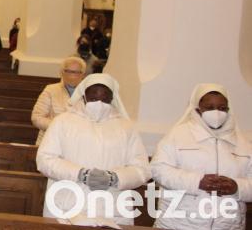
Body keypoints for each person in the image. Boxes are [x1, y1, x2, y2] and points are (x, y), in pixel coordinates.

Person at [37, 74, 151, 226]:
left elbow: (142, 169)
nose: (99, 103)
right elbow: (45, 159)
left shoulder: (126, 127)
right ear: (83, 96)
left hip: (112, 206)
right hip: (68, 203)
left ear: (112, 99)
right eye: (93, 98)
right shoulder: (63, 122)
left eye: (104, 99)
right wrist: (81, 174)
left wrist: (114, 178)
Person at [151, 83, 252, 230]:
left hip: (228, 225)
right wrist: (197, 182)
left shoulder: (243, 143)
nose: (217, 112)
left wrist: (237, 187)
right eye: (210, 108)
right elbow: (158, 170)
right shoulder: (177, 136)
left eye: (222, 108)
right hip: (178, 224)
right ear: (197, 109)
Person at [31, 57, 86, 144]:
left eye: (76, 72)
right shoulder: (51, 90)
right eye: (68, 71)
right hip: (50, 140)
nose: (72, 75)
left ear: (82, 75)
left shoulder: (87, 93)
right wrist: (60, 127)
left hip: (77, 142)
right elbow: (37, 117)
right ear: (62, 73)